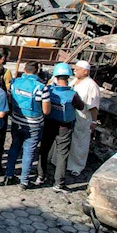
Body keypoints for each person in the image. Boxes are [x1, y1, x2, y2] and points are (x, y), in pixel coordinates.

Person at [40, 63, 85, 192]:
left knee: (44, 149)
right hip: (65, 127)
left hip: (49, 123)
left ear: (55, 76)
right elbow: (81, 106)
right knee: (62, 154)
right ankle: (59, 183)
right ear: (68, 77)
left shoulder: (48, 90)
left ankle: (41, 175)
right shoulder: (72, 94)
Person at [7, 61, 49, 188]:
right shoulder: (41, 88)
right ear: (37, 72)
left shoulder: (14, 83)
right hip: (34, 125)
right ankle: (24, 181)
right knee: (29, 151)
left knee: (14, 147)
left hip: (16, 121)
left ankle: (9, 175)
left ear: (24, 70)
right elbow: (46, 110)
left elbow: (10, 100)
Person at [69, 60, 101, 176]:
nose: (75, 70)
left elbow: (93, 106)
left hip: (83, 118)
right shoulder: (74, 81)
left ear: (85, 71)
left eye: (77, 69)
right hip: (71, 116)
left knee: (80, 143)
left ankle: (76, 167)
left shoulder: (92, 86)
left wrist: (94, 121)